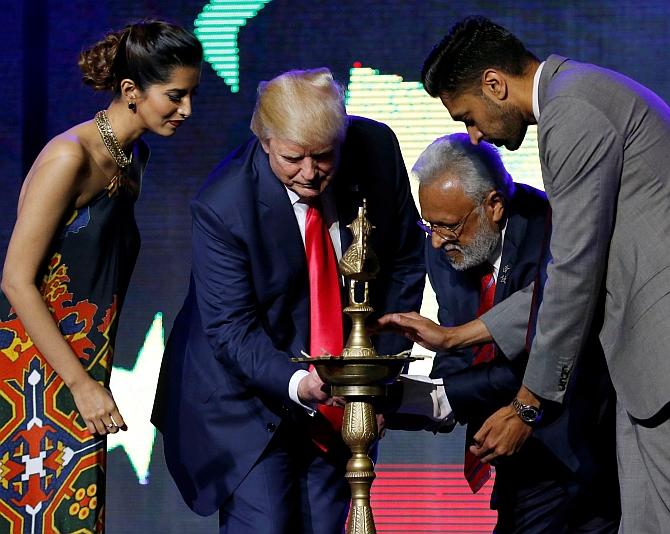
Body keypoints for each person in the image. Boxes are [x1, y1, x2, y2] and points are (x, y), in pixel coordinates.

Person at [420, 15, 670, 531]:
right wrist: (459, 335)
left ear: (495, 84)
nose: (473, 133)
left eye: (468, 115)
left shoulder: (572, 113)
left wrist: (527, 406)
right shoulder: (578, 96)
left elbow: (574, 273)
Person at [151, 68, 424, 534]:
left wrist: (373, 375)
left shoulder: (375, 149)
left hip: (341, 394)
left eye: (324, 156)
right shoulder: (224, 206)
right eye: (293, 158)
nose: (310, 173)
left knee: (325, 523)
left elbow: (403, 260)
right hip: (249, 399)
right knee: (268, 523)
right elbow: (232, 330)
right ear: (264, 141)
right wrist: (301, 383)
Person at [0, 20, 202, 533]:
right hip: (32, 375)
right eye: (175, 96)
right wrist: (80, 383)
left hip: (82, 369)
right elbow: (16, 280)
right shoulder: (70, 157)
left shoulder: (131, 159)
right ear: (131, 91)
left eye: (191, 95)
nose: (186, 111)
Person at [378, 133, 619, 532]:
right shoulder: (442, 246)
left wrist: (441, 398)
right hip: (512, 452)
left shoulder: (554, 232)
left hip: (574, 446)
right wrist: (399, 400)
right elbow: (456, 345)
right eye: (429, 225)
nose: (437, 241)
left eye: (448, 226)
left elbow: (547, 354)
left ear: (493, 205)